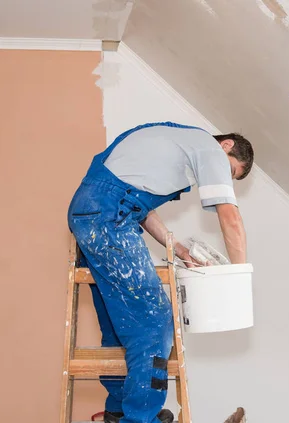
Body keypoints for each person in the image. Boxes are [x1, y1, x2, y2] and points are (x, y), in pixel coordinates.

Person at [67, 122, 253, 423]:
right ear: (227, 146)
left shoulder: (176, 143)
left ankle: (117, 411)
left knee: (119, 324)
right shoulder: (208, 148)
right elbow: (230, 217)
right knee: (154, 322)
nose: (225, 180)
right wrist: (238, 275)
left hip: (93, 215)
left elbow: (139, 208)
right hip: (108, 219)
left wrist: (179, 250)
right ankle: (139, 418)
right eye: (231, 172)